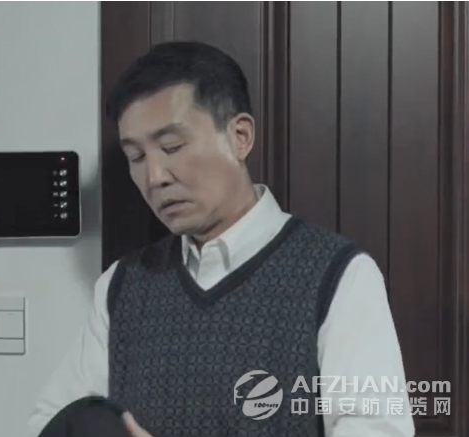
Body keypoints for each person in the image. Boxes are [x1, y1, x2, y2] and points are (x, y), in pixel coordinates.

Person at [28, 41, 415, 437]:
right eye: (137, 157)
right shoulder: (121, 285)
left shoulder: (339, 276)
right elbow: (52, 422)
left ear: (239, 136)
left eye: (171, 147)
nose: (154, 176)